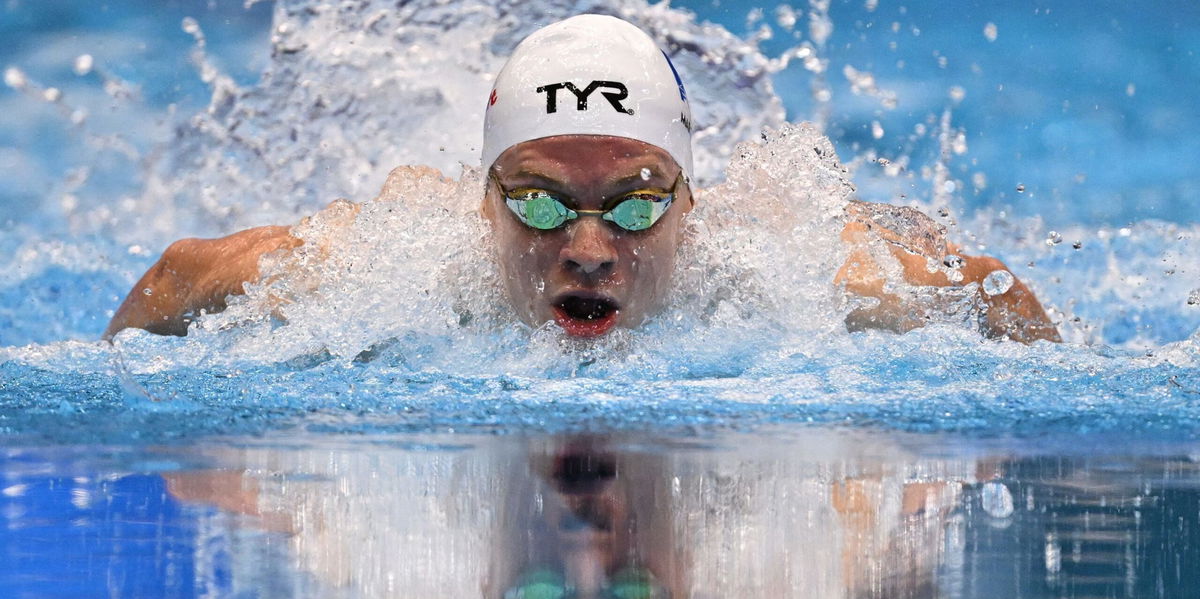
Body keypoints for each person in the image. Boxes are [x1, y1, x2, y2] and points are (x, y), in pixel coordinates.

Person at [103, 14, 1060, 344]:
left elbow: (996, 295)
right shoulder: (384, 276)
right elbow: (181, 276)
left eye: (640, 202)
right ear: (482, 201)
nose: (589, 251)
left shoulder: (797, 275)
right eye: (538, 202)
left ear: (693, 202)